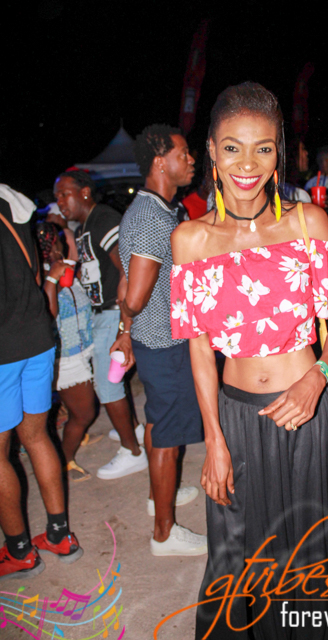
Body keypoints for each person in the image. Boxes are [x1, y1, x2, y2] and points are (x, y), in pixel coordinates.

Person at [170, 83, 328, 639]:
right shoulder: (191, 239)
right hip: (236, 421)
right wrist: (214, 440)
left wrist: (316, 380)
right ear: (211, 150)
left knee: (309, 559)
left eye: (263, 148)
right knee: (236, 562)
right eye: (232, 148)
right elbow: (199, 348)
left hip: (308, 416)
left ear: (280, 154)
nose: (247, 165)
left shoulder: (308, 224)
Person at [114, 124, 206, 556]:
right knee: (168, 435)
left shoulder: (159, 209)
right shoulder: (152, 217)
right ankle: (164, 534)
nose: (191, 160)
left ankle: (159, 496)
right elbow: (133, 295)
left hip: (154, 341)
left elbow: (124, 276)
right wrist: (128, 320)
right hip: (165, 344)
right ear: (159, 162)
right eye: (183, 153)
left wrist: (125, 333)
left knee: (157, 423)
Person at [0, 186, 82, 580]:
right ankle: (59, 535)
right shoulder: (13, 205)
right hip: (36, 337)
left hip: (3, 348)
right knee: (36, 437)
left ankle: (19, 551)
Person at [53, 170, 148, 479]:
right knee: (112, 383)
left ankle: (133, 452)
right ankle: (132, 430)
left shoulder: (103, 218)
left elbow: (128, 267)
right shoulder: (84, 227)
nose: (60, 202)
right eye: (56, 197)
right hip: (102, 314)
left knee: (108, 386)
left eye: (64, 194)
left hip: (113, 313)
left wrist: (125, 324)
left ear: (84, 192)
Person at [36, 221, 98, 480]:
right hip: (66, 357)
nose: (59, 247)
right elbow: (47, 315)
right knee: (84, 413)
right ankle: (65, 460)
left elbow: (72, 246)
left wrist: (65, 231)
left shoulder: (62, 267)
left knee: (79, 410)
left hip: (81, 349)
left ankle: (75, 439)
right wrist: (52, 278)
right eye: (54, 243)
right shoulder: (40, 276)